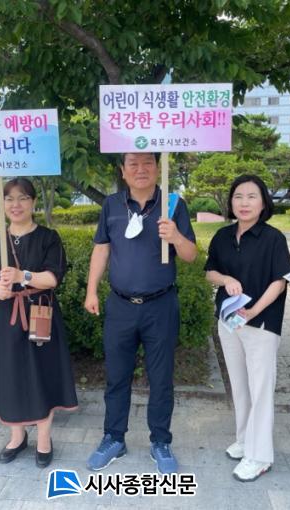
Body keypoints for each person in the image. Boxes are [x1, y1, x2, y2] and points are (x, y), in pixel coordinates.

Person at [84, 152, 197, 474]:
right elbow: (102, 248)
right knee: (116, 376)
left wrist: (175, 237)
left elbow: (190, 255)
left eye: (148, 162)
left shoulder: (173, 204)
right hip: (120, 305)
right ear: (123, 171)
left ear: (158, 168)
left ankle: (160, 441)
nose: (140, 169)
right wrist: (91, 290)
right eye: (133, 164)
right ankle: (114, 437)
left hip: (161, 305)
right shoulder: (112, 205)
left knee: (161, 378)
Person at [0, 177, 77, 469]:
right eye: (9, 199)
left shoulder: (48, 237)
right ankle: (16, 436)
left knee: (43, 375)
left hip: (40, 312)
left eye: (22, 198)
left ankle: (44, 438)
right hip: (4, 317)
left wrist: (23, 276)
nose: (15, 205)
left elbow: (54, 277)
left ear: (32, 202)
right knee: (9, 374)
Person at [204, 175, 290, 482]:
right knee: (240, 385)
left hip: (262, 323)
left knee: (261, 389)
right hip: (229, 321)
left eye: (252, 196)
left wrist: (254, 310)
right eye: (238, 196)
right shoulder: (223, 236)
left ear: (264, 202)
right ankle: (244, 440)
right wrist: (226, 279)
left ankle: (260, 456)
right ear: (231, 202)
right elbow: (210, 271)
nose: (244, 202)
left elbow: (280, 281)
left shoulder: (273, 238)